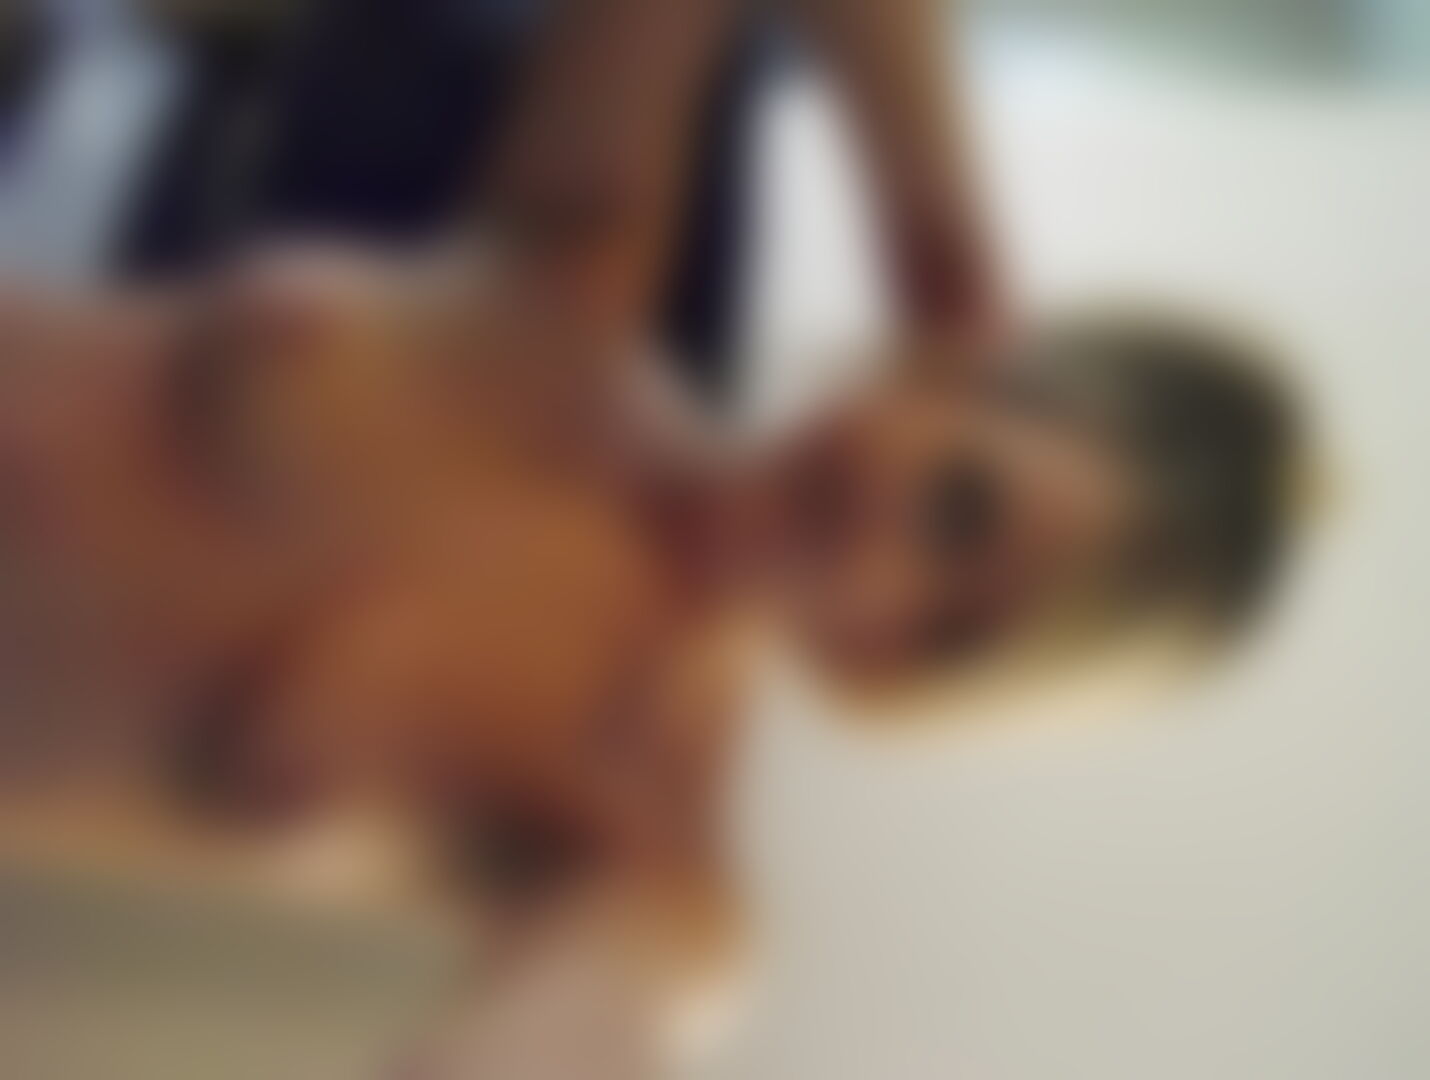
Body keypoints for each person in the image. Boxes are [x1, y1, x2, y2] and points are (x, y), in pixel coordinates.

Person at [0, 244, 1300, 1074]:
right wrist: (936, 225)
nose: (875, 577)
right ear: (960, 372)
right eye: (959, 505)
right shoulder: (577, 275)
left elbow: (599, 1019)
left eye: (949, 641)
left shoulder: (645, 853)